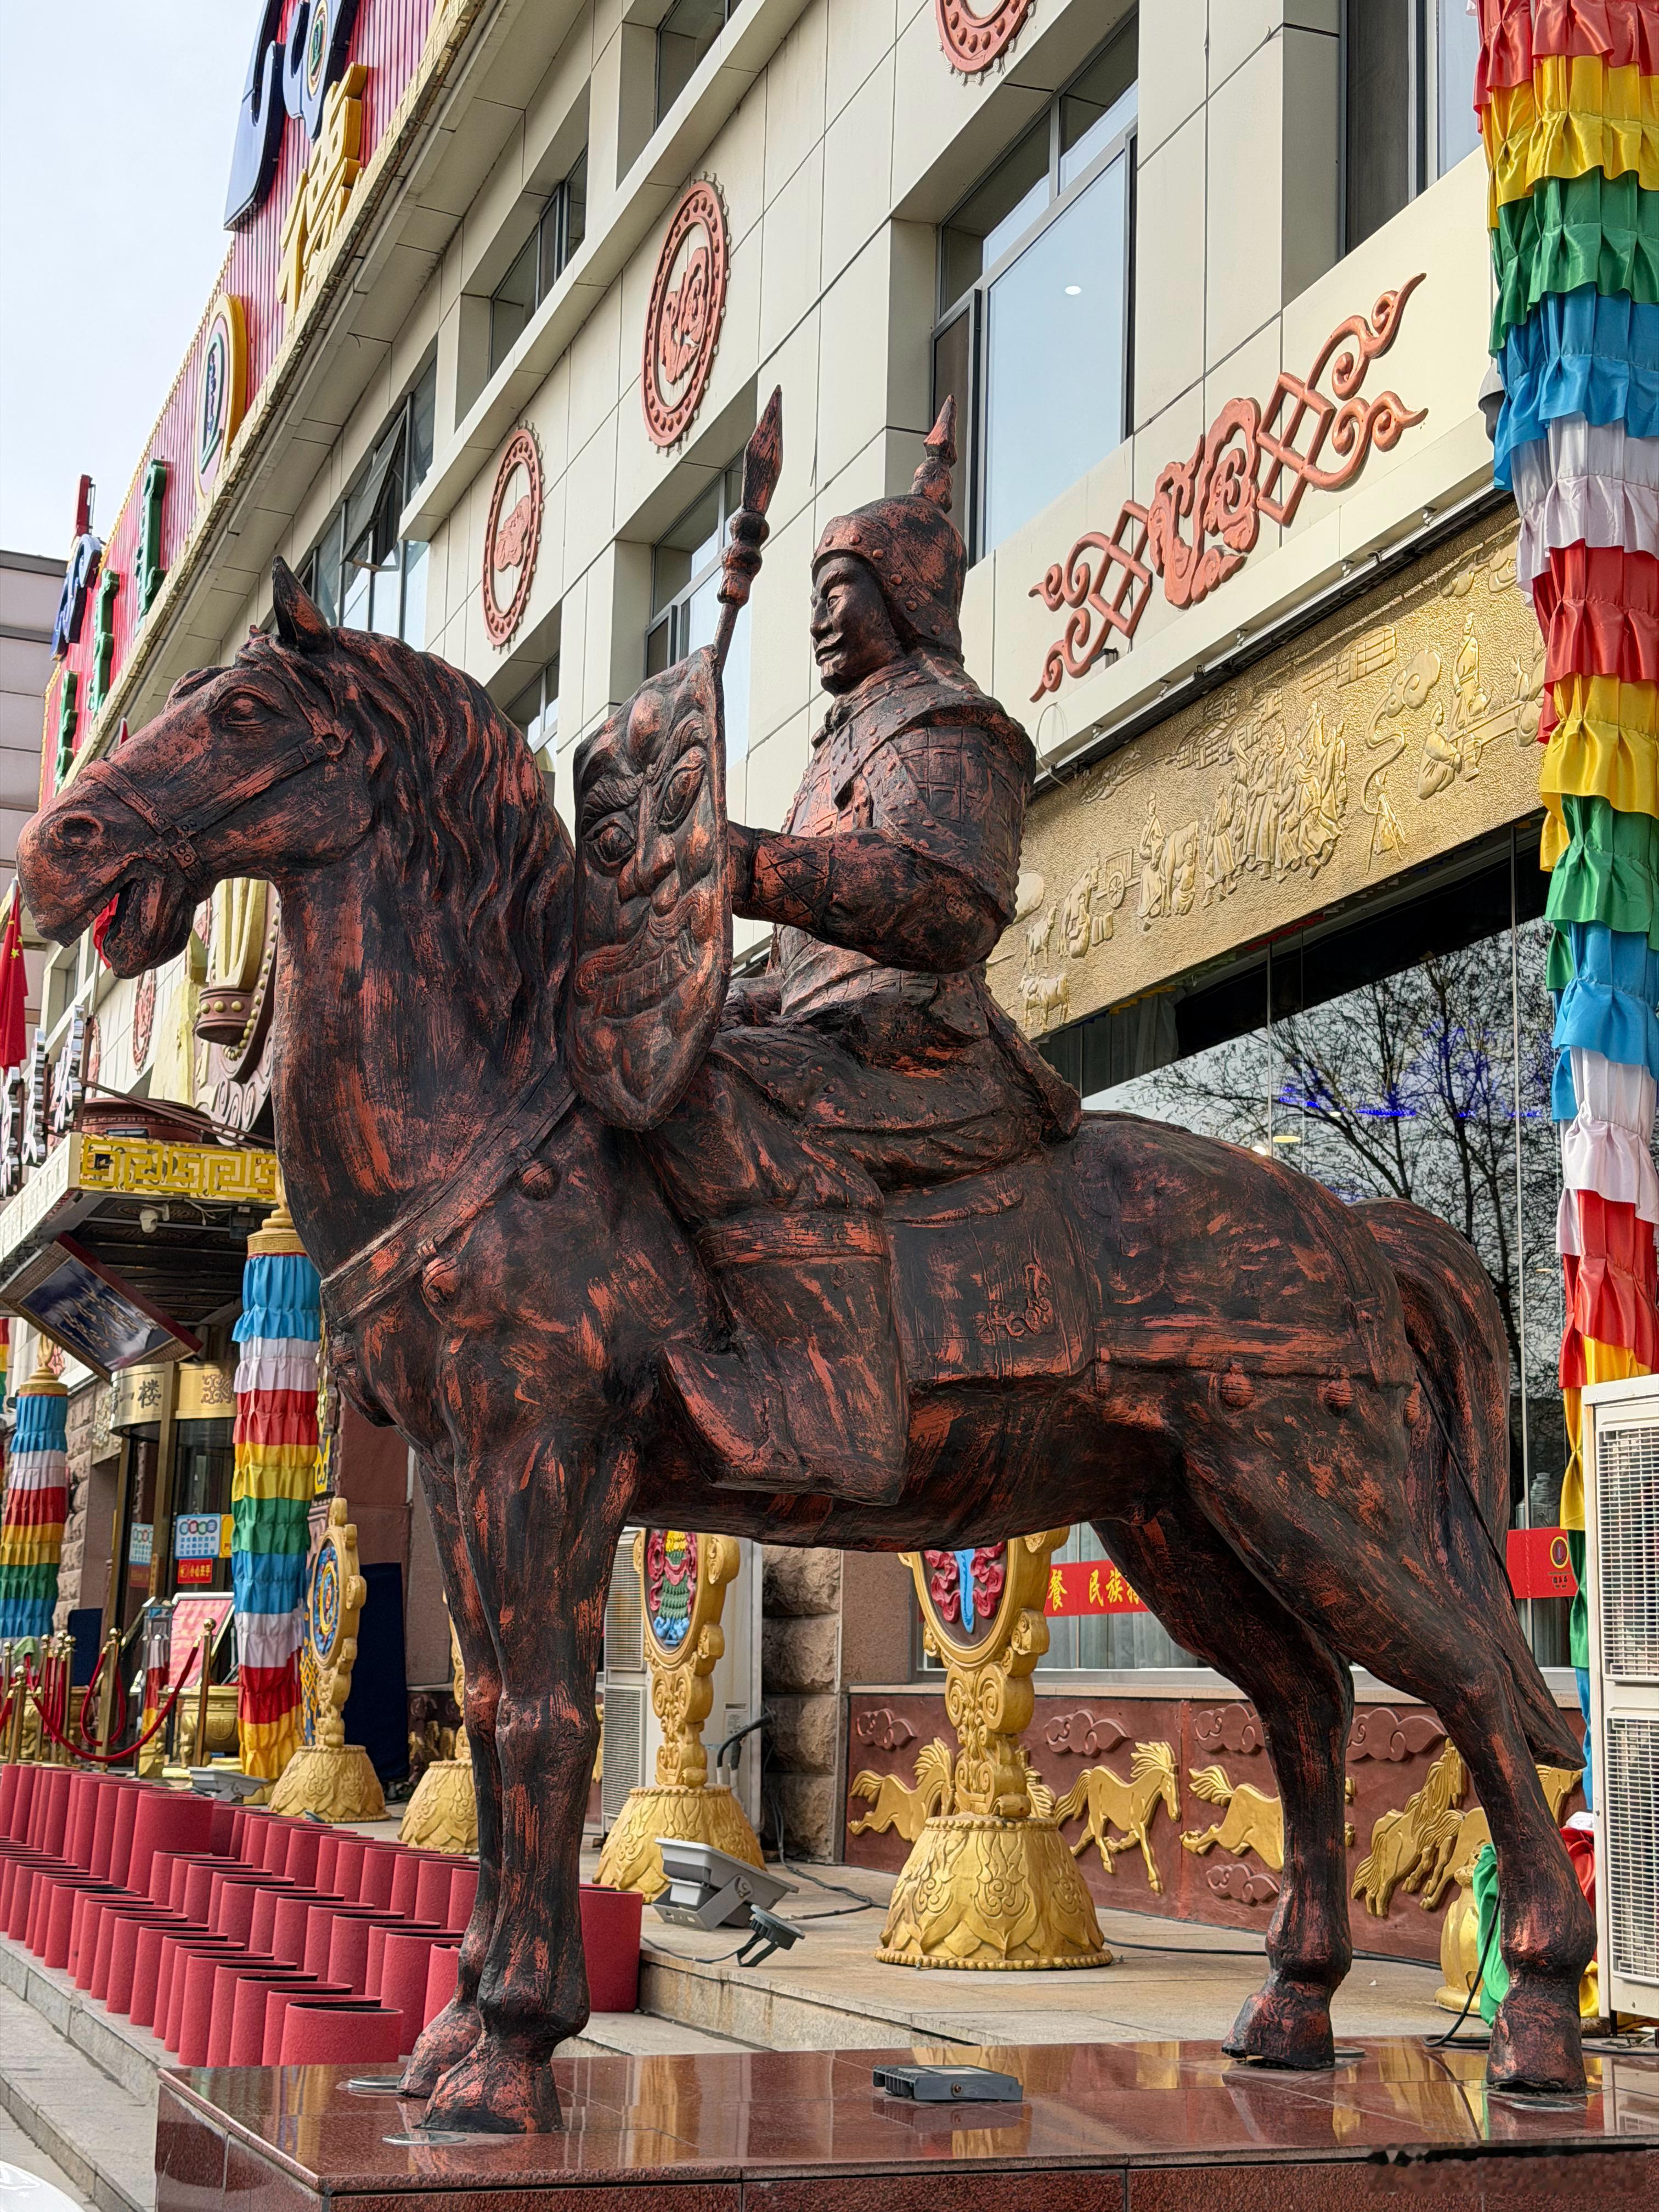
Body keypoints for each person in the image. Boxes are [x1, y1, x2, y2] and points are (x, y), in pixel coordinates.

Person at [644, 403, 1078, 1505]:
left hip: (926, 1059)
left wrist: (737, 861)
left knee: (714, 1102)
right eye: (815, 604)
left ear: (908, 600)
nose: (823, 624)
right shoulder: (832, 751)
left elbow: (944, 908)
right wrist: (704, 982)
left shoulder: (948, 725)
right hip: (831, 1040)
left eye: (842, 597)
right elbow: (795, 966)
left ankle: (829, 1399)